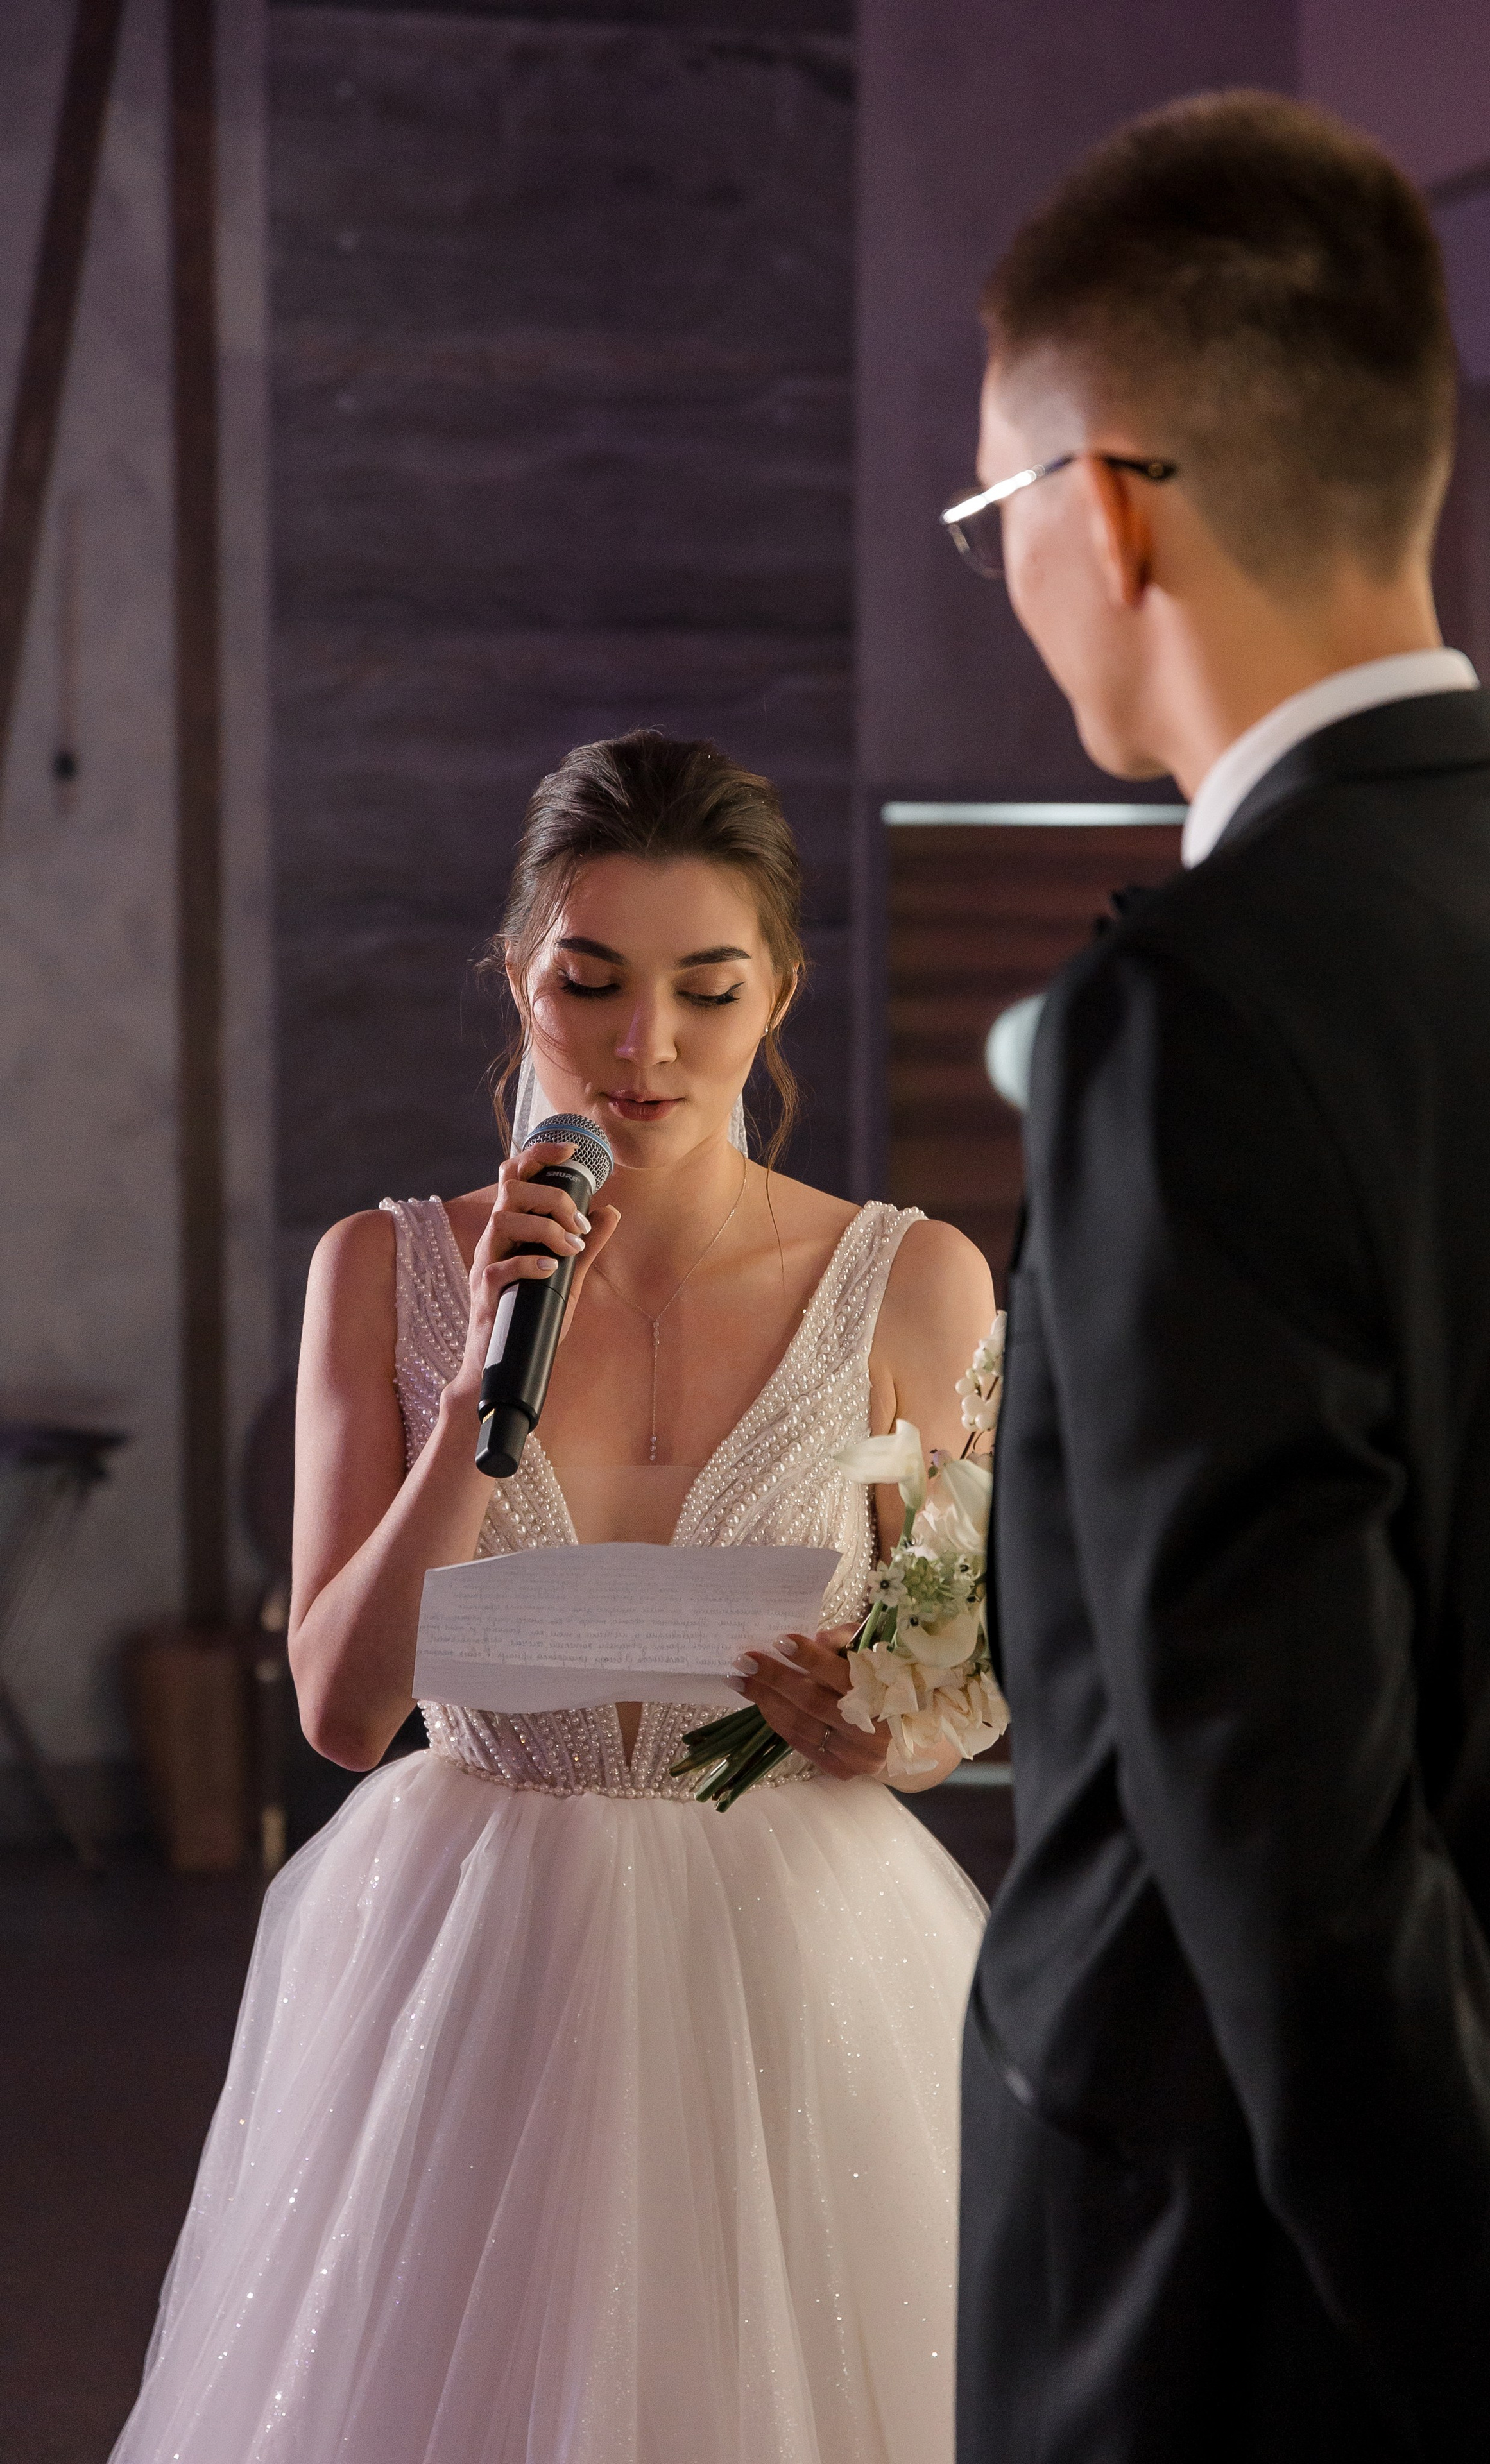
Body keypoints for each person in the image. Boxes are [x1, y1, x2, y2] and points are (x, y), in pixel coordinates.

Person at [954, 92, 1490, 2464]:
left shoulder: (1195, 1011)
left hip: (1279, 2329)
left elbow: (1293, 1857)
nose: (1010, 570)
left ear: (1110, 508)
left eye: (994, 511)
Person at [112, 731, 995, 2464]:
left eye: (706, 991)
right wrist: (472, 1403)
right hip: (474, 1950)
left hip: (802, 1961)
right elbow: (343, 1713)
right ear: (518, 974)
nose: (644, 1043)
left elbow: (959, 1686)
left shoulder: (913, 1281)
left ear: (779, 995)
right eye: (589, 982)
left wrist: (883, 1735)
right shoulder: (384, 1268)